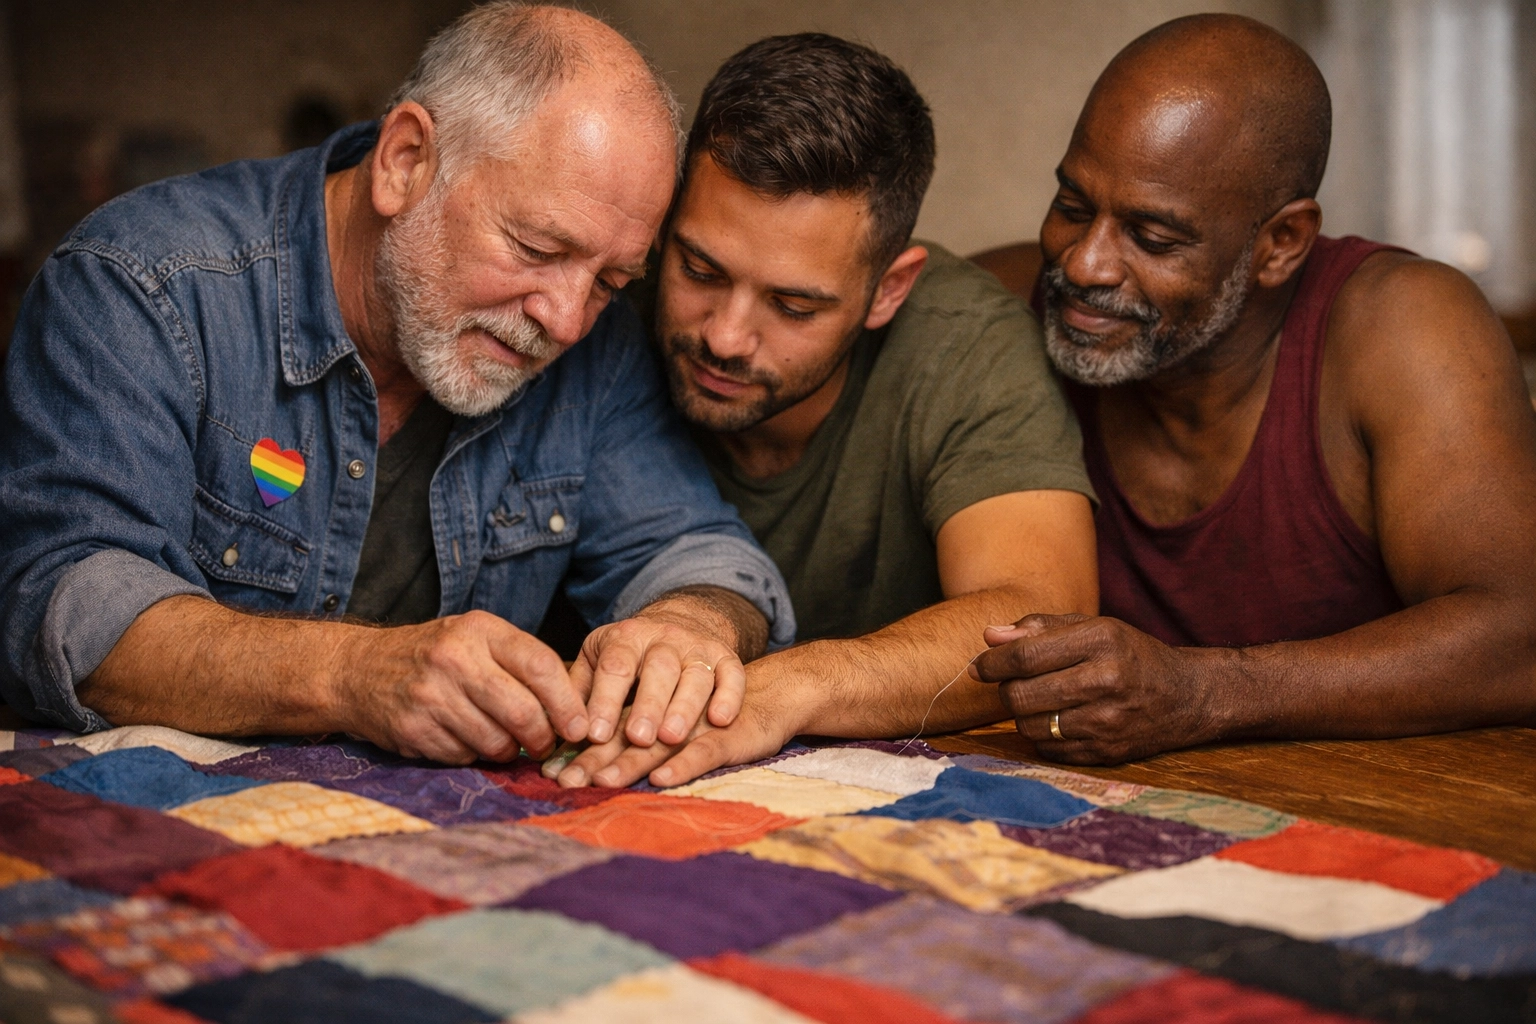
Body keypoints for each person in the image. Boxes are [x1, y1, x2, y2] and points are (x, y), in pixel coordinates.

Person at [0, 3, 796, 766]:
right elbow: (66, 605)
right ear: (405, 161)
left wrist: (690, 626)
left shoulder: (597, 343)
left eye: (611, 281)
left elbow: (698, 552)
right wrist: (353, 675)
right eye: (535, 248)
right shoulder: (143, 285)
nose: (565, 320)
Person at [965, 14, 1536, 762]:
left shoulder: (1402, 327)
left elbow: (1521, 634)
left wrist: (1203, 692)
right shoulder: (997, 309)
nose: (1083, 264)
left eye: (1153, 237)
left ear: (1281, 244)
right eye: (1072, 206)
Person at [550, 33, 1097, 789]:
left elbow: (1042, 617)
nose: (724, 336)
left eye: (794, 304)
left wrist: (787, 689)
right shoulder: (591, 308)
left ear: (890, 290)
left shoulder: (963, 347)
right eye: (699, 269)